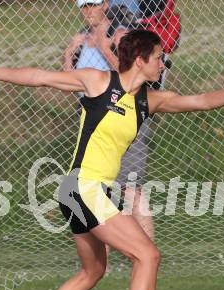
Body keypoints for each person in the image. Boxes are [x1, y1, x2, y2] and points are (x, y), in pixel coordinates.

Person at [0, 29, 224, 290]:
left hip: (80, 191)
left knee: (92, 271)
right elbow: (40, 77)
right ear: (140, 59)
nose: (162, 62)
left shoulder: (150, 100)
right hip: (83, 188)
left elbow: (199, 101)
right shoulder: (98, 81)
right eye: (157, 57)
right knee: (148, 256)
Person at [64, 0, 155, 265]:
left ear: (105, 4)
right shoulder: (81, 36)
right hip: (96, 122)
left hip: (125, 117)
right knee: (96, 190)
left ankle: (147, 254)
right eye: (83, 6)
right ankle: (100, 262)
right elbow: (70, 82)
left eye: (93, 4)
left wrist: (104, 48)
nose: (88, 11)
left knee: (131, 188)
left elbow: (132, 76)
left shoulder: (120, 34)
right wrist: (69, 56)